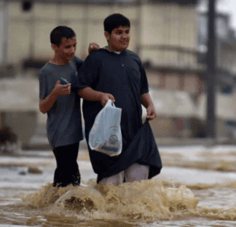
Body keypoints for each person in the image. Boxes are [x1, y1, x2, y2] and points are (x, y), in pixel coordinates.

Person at [77, 13, 162, 186]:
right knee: (110, 190)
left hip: (135, 134)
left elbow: (142, 90)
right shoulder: (96, 58)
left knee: (137, 189)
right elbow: (81, 88)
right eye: (118, 32)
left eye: (127, 32)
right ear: (107, 35)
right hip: (107, 135)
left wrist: (150, 104)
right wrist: (100, 96)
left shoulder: (134, 59)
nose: (124, 36)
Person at [38, 26, 88, 187]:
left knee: (64, 175)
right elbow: (43, 108)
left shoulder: (74, 62)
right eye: (67, 47)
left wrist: (93, 52)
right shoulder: (47, 71)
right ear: (54, 47)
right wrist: (55, 93)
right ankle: (62, 208)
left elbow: (90, 68)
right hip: (59, 132)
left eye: (74, 45)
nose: (72, 50)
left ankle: (51, 207)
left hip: (74, 130)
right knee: (71, 175)